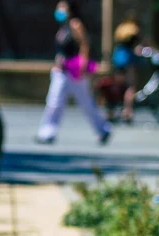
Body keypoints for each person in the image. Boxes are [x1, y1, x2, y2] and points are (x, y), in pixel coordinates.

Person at [37, 0, 112, 145]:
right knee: (54, 101)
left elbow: (84, 44)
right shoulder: (63, 27)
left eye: (62, 7)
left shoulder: (75, 24)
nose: (59, 10)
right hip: (61, 72)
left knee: (86, 103)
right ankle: (47, 132)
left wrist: (82, 66)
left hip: (75, 72)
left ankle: (103, 129)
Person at [112, 11, 142, 122]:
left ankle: (113, 110)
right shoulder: (134, 29)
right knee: (131, 86)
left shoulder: (121, 28)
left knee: (119, 85)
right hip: (128, 58)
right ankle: (127, 111)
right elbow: (139, 44)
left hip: (118, 56)